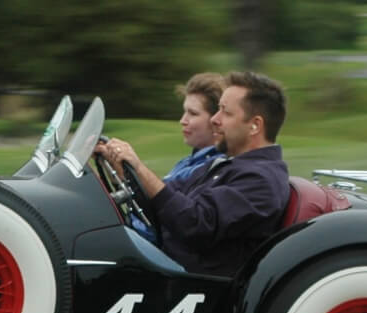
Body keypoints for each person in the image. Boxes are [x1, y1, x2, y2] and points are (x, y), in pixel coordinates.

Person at [99, 71, 291, 276]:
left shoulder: (260, 181)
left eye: (226, 112)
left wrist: (139, 167)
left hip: (189, 285)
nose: (215, 119)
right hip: (166, 267)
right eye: (217, 110)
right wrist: (122, 170)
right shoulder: (227, 165)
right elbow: (165, 202)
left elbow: (193, 224)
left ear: (255, 125)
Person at [126, 72, 227, 243]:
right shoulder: (188, 162)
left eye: (193, 114)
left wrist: (135, 168)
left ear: (217, 120)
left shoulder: (210, 168)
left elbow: (164, 204)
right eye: (184, 112)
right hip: (137, 234)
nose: (183, 120)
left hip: (152, 247)